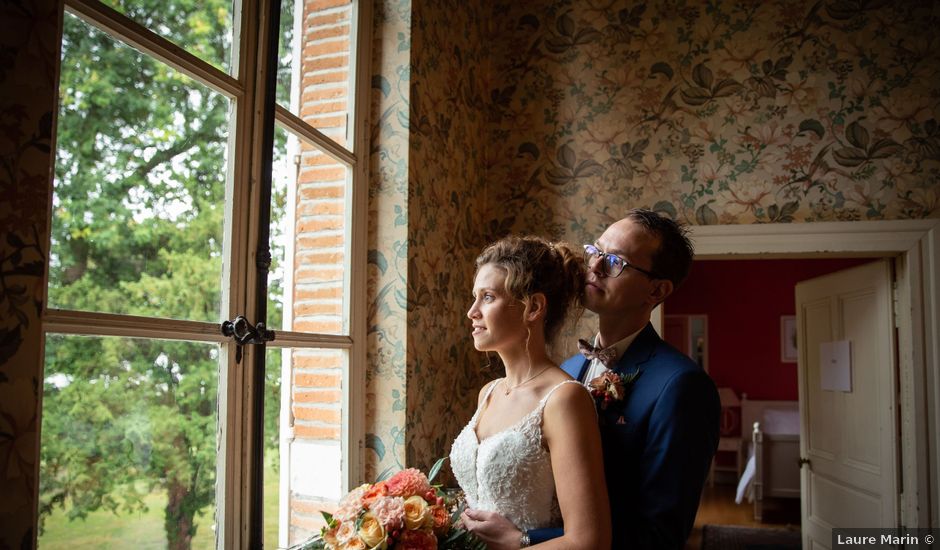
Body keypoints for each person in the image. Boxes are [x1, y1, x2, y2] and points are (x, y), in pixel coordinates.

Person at [468, 210, 720, 550]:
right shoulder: (567, 372)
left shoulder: (681, 386)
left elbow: (661, 535)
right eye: (595, 251)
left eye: (615, 261)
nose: (595, 267)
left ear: (657, 290)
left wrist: (524, 540)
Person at [450, 236, 611, 550]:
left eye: (487, 297)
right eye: (474, 297)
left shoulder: (564, 399)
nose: (472, 311)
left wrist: (517, 543)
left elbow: (591, 541)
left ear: (533, 307)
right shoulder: (488, 393)